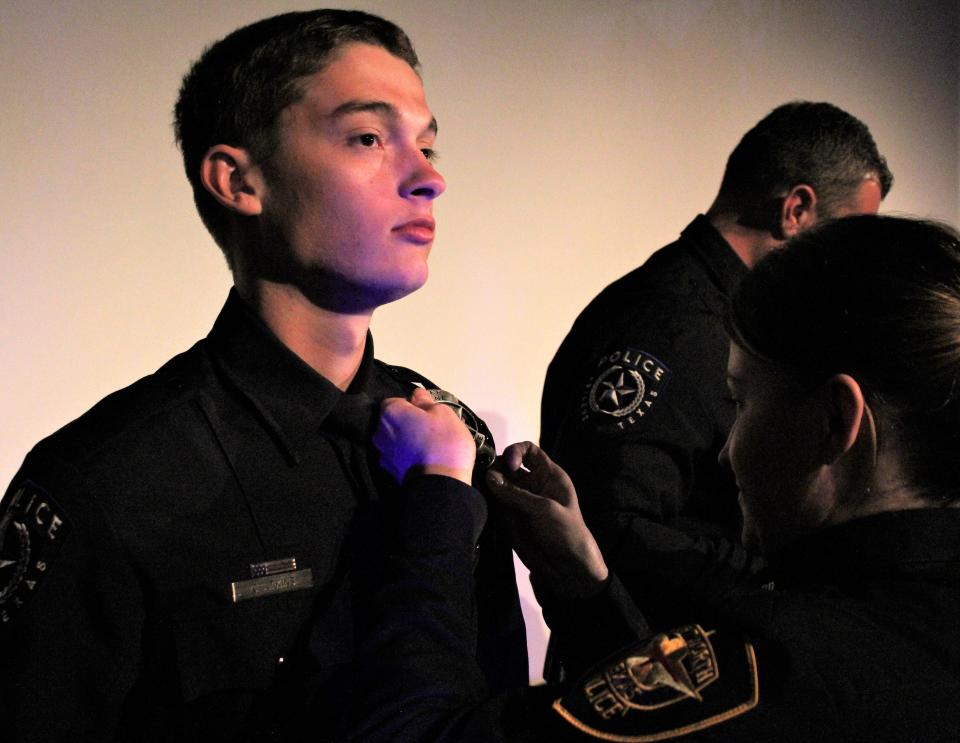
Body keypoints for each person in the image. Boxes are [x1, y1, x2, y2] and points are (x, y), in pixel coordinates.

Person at [0, 10, 525, 741]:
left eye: (429, 144)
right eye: (369, 138)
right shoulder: (103, 482)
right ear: (239, 179)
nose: (428, 178)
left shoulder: (453, 437)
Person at [360, 215, 960, 741]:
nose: (726, 456)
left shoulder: (786, 666)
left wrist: (436, 491)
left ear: (835, 421)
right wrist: (584, 585)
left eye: (741, 403)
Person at [540, 102, 893, 561]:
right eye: (846, 236)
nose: (850, 266)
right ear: (796, 210)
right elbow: (609, 531)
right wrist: (777, 593)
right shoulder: (676, 326)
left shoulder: (710, 317)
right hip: (652, 633)